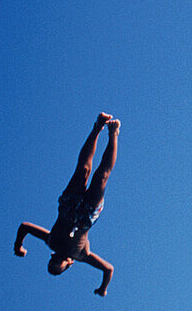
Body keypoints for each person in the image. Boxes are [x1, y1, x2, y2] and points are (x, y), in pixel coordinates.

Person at [14, 112, 120, 296]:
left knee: (83, 169)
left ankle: (97, 127)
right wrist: (103, 288)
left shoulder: (51, 241)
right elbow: (108, 269)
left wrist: (18, 246)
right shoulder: (82, 256)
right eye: (58, 264)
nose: (56, 259)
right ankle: (113, 133)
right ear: (69, 264)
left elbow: (25, 227)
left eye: (51, 261)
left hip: (68, 207)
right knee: (101, 177)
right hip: (87, 215)